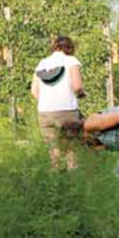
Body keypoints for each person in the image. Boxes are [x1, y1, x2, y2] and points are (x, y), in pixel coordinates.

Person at [31, 36, 86, 170]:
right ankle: (72, 182)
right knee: (71, 150)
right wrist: (81, 94)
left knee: (53, 150)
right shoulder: (71, 61)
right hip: (66, 111)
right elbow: (77, 86)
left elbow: (33, 91)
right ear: (70, 48)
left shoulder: (42, 63)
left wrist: (47, 102)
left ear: (54, 47)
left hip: (44, 112)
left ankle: (55, 181)